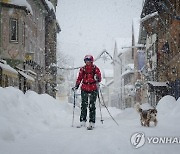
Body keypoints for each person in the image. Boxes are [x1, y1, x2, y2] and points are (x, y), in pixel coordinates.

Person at [73, 55, 101, 129]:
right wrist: (77, 85)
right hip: (84, 88)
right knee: (83, 105)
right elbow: (79, 78)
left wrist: (97, 77)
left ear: (92, 61)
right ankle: (82, 121)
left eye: (89, 61)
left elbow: (99, 78)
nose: (88, 62)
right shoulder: (83, 69)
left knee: (92, 105)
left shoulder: (95, 69)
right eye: (86, 61)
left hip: (93, 88)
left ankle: (92, 122)